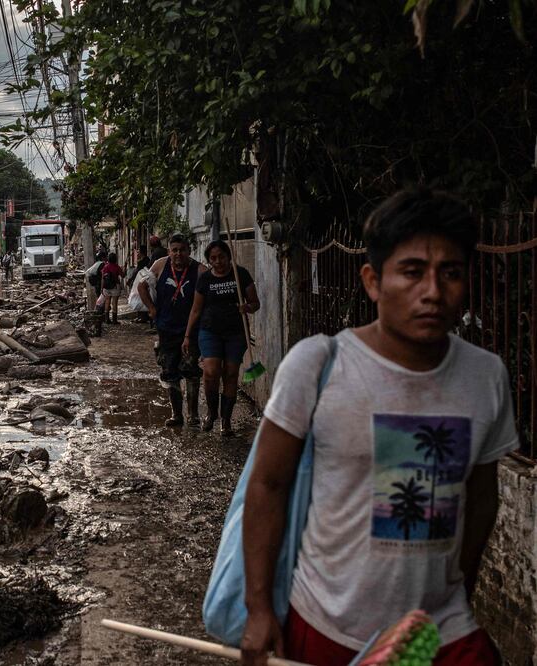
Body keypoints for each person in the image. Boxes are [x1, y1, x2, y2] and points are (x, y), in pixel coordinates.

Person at [239, 189, 514, 666]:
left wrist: (460, 591)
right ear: (372, 281)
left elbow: (482, 495)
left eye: (449, 273)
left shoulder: (485, 375)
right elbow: (267, 484)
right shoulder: (320, 364)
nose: (432, 291)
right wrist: (259, 607)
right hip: (329, 625)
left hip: (438, 631)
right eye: (412, 272)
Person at [183, 239, 260, 433]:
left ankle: (226, 421)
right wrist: (187, 336)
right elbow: (195, 309)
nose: (218, 261)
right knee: (211, 372)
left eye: (221, 257)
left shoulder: (240, 274)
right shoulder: (205, 279)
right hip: (209, 331)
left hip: (235, 332)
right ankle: (211, 413)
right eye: (213, 258)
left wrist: (247, 307)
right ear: (209, 260)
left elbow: (255, 303)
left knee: (231, 373)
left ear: (228, 256)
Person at [139, 234, 205, 426]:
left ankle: (193, 416)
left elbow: (210, 288)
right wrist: (152, 309)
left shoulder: (199, 269)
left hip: (190, 330)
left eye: (182, 250)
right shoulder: (160, 265)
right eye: (174, 250)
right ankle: (177, 415)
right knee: (169, 370)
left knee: (191, 371)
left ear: (188, 251)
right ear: (169, 251)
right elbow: (142, 286)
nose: (178, 254)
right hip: (166, 328)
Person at [100, 252, 125, 324]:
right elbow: (123, 275)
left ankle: (107, 319)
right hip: (115, 286)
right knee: (114, 303)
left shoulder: (105, 267)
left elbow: (103, 278)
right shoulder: (117, 267)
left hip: (106, 287)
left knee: (107, 302)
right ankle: (114, 320)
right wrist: (124, 269)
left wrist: (102, 288)